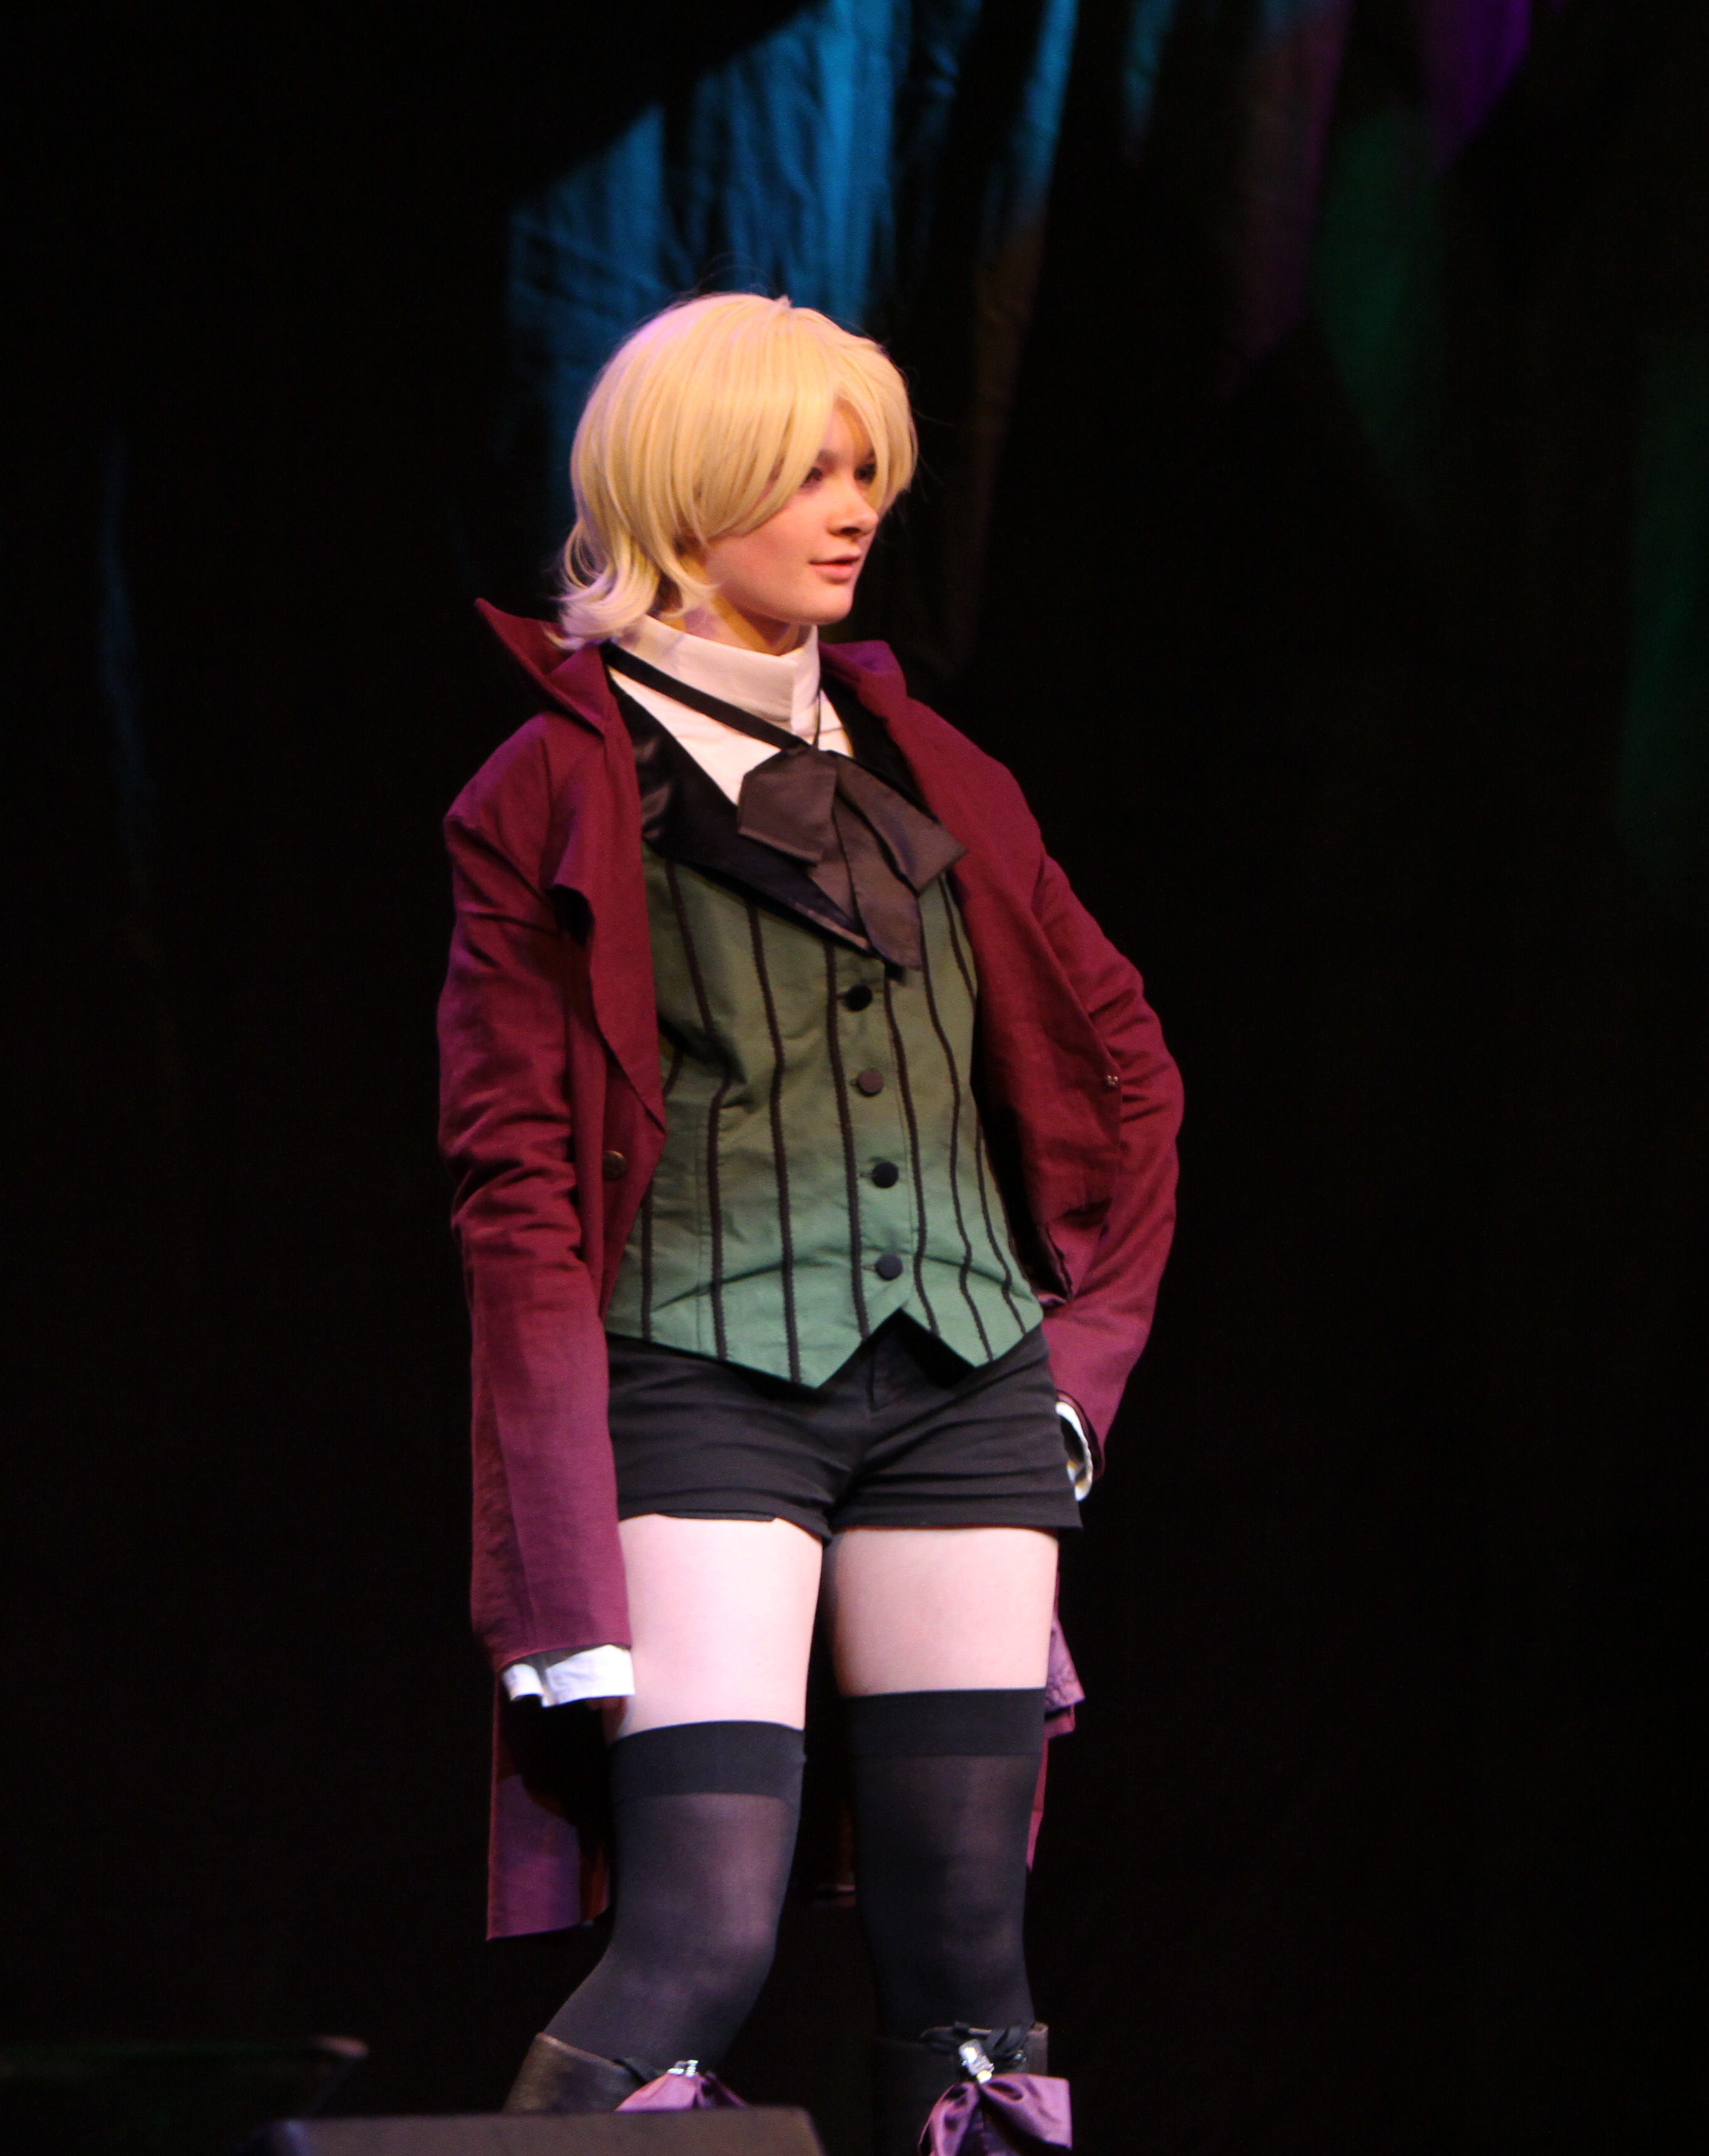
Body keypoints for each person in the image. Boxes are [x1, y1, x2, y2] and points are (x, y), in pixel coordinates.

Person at [438, 292, 1179, 2153]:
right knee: (699, 1936)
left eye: (869, 471)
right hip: (703, 1387)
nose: (856, 509)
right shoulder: (552, 788)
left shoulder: (934, 772)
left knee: (971, 1957)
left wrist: (1073, 1375)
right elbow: (517, 1185)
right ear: (690, 492)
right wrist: (548, 1532)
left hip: (967, 1389)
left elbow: (1124, 1074)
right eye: (810, 472)